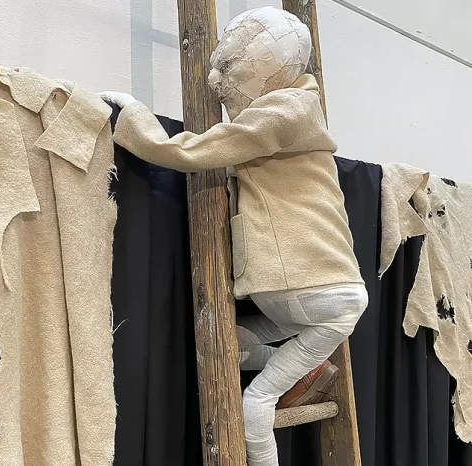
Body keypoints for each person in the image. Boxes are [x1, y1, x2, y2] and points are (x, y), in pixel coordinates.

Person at [99, 6, 368, 466]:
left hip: (317, 294)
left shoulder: (285, 111)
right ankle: (311, 370)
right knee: (236, 344)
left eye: (235, 65)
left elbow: (200, 150)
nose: (219, 76)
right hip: (309, 295)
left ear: (272, 72)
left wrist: (135, 120)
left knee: (255, 405)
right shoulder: (295, 109)